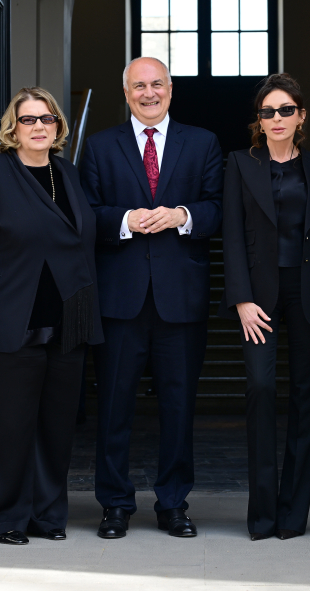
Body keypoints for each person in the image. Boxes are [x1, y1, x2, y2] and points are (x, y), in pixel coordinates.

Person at [0, 87, 103, 545]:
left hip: (66, 319)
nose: (39, 127)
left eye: (47, 118)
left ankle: (46, 516)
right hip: (6, 317)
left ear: (58, 127)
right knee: (7, 428)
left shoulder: (68, 173)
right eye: (29, 119)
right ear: (13, 129)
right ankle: (2, 519)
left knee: (55, 428)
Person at [80, 57, 224, 539]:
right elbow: (86, 213)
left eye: (156, 84)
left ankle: (173, 504)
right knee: (114, 408)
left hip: (180, 299)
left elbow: (218, 208)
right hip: (120, 300)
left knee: (178, 409)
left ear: (170, 89)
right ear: (126, 93)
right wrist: (124, 221)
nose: (148, 93)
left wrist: (182, 215)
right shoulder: (100, 146)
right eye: (138, 86)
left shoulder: (202, 142)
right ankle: (115, 504)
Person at [218, 74, 310, 541]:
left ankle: (293, 515)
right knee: (261, 387)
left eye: (286, 110)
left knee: (305, 397)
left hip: (308, 290)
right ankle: (263, 514)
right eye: (268, 112)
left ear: (301, 116)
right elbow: (231, 235)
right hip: (259, 295)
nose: (276, 118)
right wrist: (241, 299)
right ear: (259, 119)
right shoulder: (240, 163)